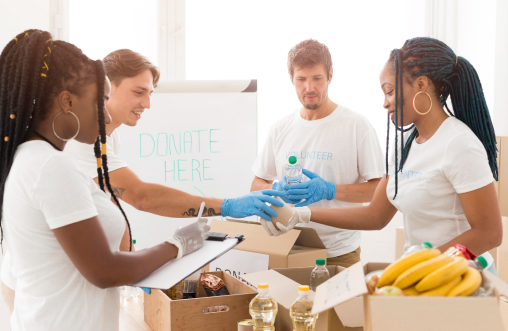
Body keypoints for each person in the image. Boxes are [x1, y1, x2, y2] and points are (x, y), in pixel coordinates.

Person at [0, 30, 278, 330]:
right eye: (100, 101)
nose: (105, 117)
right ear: (67, 101)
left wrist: (143, 261)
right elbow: (134, 210)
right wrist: (179, 244)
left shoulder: (33, 156)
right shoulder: (53, 166)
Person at [262, 37, 502, 275]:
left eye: (389, 92)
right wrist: (302, 213)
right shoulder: (405, 146)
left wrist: (423, 266)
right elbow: (375, 215)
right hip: (423, 275)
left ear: (420, 85)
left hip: (463, 277)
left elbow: (489, 233)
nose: (385, 103)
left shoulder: (459, 144)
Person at [64, 49, 284, 251]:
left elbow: (112, 207)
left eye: (150, 93)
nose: (147, 103)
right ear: (107, 85)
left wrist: (129, 261)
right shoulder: (82, 138)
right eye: (139, 92)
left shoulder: (110, 137)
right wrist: (227, 206)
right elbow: (142, 197)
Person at [251, 39, 385, 268]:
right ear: (291, 79)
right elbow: (256, 184)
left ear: (330, 75)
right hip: (287, 247)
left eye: (317, 79)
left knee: (338, 306)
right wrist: (274, 190)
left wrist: (330, 190)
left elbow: (377, 191)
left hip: (338, 251)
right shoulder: (280, 128)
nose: (309, 88)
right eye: (301, 79)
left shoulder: (357, 126)